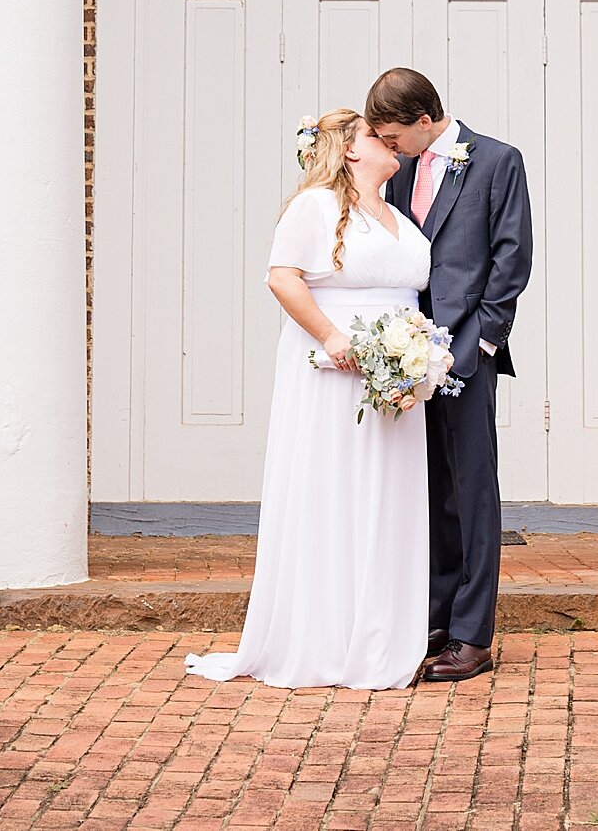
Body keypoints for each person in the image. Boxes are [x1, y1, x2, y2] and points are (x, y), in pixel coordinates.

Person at [185, 108, 431, 690]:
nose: (391, 141)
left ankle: (378, 633)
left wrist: (418, 353)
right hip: (332, 375)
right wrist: (332, 336)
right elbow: (282, 276)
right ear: (349, 150)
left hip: (394, 380)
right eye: (376, 135)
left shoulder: (397, 215)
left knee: (385, 499)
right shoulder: (315, 206)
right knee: (334, 494)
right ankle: (322, 639)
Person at [367, 68, 534, 683]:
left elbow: (512, 256)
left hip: (468, 352)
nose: (389, 149)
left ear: (424, 122)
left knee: (472, 490)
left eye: (394, 137)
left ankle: (473, 636)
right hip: (407, 353)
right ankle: (434, 618)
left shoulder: (497, 161)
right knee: (428, 489)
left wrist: (484, 342)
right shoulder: (399, 172)